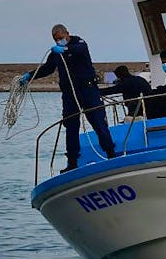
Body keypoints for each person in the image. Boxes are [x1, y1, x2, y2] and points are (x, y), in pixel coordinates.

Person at [20, 24, 116, 172]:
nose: (59, 41)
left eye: (61, 38)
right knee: (71, 127)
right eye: (56, 39)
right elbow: (47, 68)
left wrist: (65, 49)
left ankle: (111, 154)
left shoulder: (79, 43)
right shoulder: (56, 54)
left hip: (88, 90)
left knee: (98, 122)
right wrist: (30, 76)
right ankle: (72, 162)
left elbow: (79, 50)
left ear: (67, 34)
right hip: (70, 94)